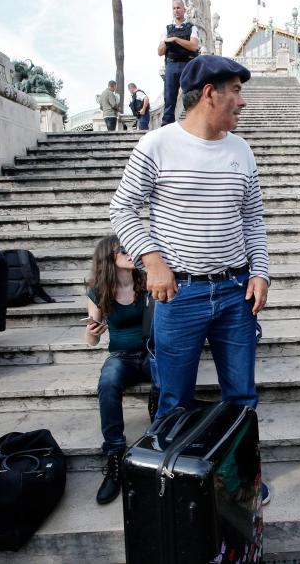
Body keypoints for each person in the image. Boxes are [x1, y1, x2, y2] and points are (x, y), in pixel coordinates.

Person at [109, 55, 271, 503]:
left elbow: (253, 217)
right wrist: (152, 260)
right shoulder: (156, 145)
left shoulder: (241, 149)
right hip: (180, 293)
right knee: (173, 399)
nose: (242, 100)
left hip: (237, 292)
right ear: (208, 93)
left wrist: (260, 270)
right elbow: (122, 208)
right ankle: (170, 485)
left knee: (241, 395)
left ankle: (244, 481)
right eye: (235, 90)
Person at [85, 235, 156, 505]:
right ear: (108, 257)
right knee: (108, 381)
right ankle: (115, 456)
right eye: (123, 249)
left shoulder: (147, 282)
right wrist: (92, 331)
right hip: (122, 356)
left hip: (150, 351)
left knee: (163, 370)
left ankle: (159, 432)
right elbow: (91, 341)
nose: (131, 252)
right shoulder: (99, 291)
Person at [158, 0, 200, 126]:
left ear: (184, 9)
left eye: (178, 8)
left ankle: (193, 125)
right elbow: (160, 52)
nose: (176, 10)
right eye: (174, 8)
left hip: (188, 64)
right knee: (169, 97)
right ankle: (167, 127)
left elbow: (194, 46)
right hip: (171, 65)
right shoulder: (167, 29)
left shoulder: (191, 28)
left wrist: (176, 39)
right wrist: (167, 41)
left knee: (191, 97)